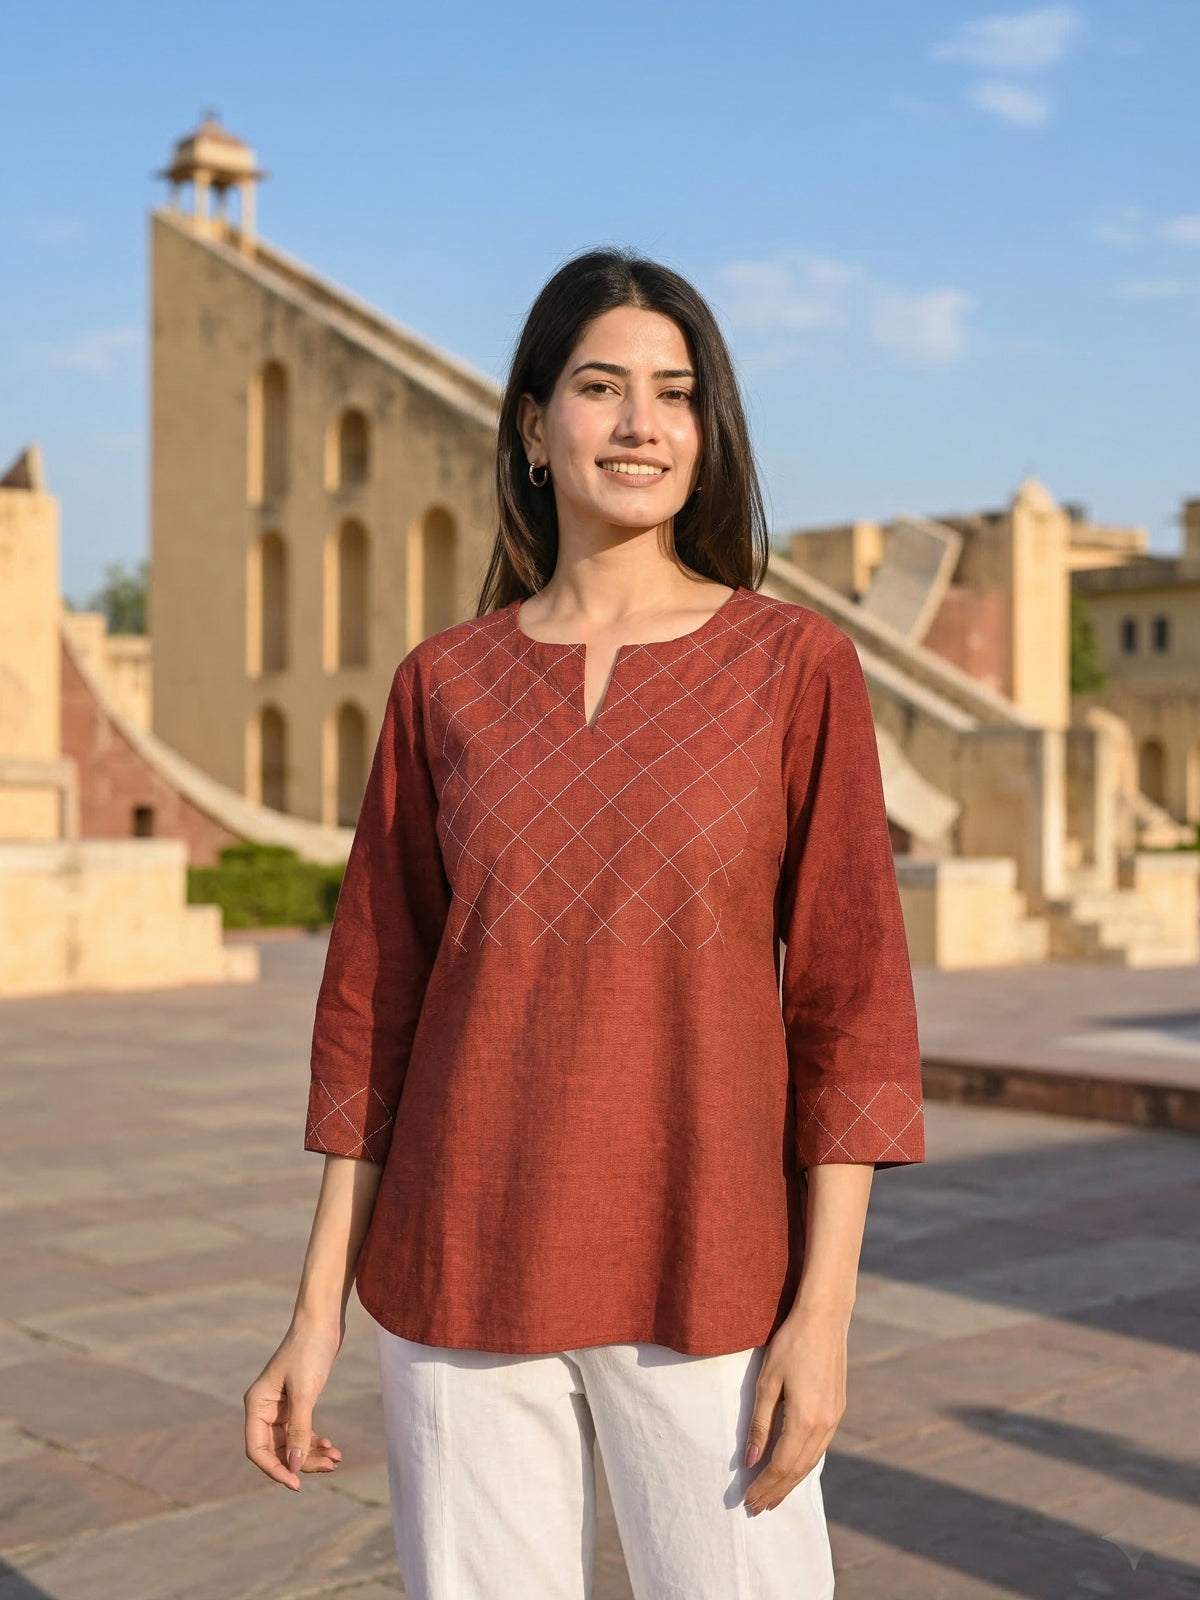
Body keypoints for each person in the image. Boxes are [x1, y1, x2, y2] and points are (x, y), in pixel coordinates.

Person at [244, 247, 926, 1599]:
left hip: (711, 1270)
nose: (640, 423)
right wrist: (315, 1307)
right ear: (534, 425)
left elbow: (851, 1005)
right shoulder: (444, 686)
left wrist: (826, 1316)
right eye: (602, 387)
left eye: (674, 393)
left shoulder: (792, 669)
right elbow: (374, 1007)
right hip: (456, 1266)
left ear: (707, 427)